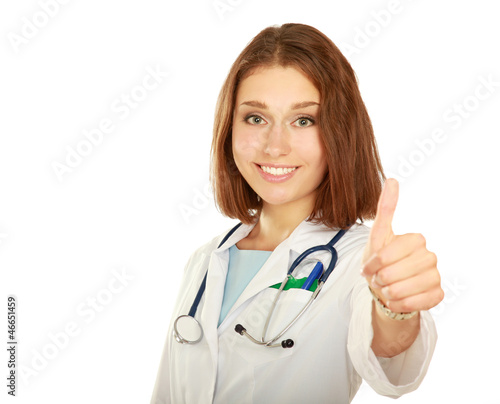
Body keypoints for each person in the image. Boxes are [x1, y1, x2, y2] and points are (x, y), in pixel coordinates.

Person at [150, 23, 444, 403]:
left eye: (303, 120)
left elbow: (392, 357)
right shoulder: (206, 260)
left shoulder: (360, 262)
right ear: (229, 128)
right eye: (255, 118)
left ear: (340, 132)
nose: (275, 146)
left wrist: (395, 308)